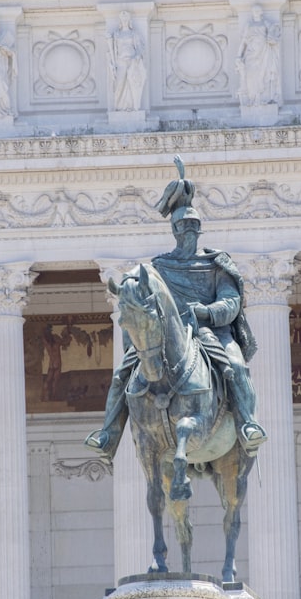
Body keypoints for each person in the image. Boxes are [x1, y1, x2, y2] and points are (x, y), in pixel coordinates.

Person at [85, 157, 268, 461]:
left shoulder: (215, 264)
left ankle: (248, 424)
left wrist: (206, 312)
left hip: (208, 331)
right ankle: (108, 434)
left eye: (193, 229)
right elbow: (141, 302)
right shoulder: (159, 268)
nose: (188, 234)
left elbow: (231, 302)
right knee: (121, 375)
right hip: (165, 336)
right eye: (183, 229)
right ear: (173, 231)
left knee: (235, 365)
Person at [236, 5, 280, 106]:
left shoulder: (265, 23)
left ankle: (262, 98)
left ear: (261, 12)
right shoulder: (248, 25)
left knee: (263, 74)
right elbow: (243, 41)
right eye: (254, 10)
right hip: (251, 52)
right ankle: (252, 98)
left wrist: (273, 36)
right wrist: (238, 56)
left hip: (264, 51)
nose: (255, 11)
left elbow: (273, 33)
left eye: (257, 10)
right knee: (250, 75)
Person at [108, 11, 146, 111]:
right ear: (120, 20)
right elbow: (113, 50)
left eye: (126, 19)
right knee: (119, 84)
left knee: (131, 84)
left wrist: (137, 56)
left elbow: (139, 47)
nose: (124, 21)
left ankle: (130, 106)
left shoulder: (133, 33)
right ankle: (119, 106)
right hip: (120, 62)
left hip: (132, 61)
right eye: (122, 19)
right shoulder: (116, 34)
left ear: (129, 20)